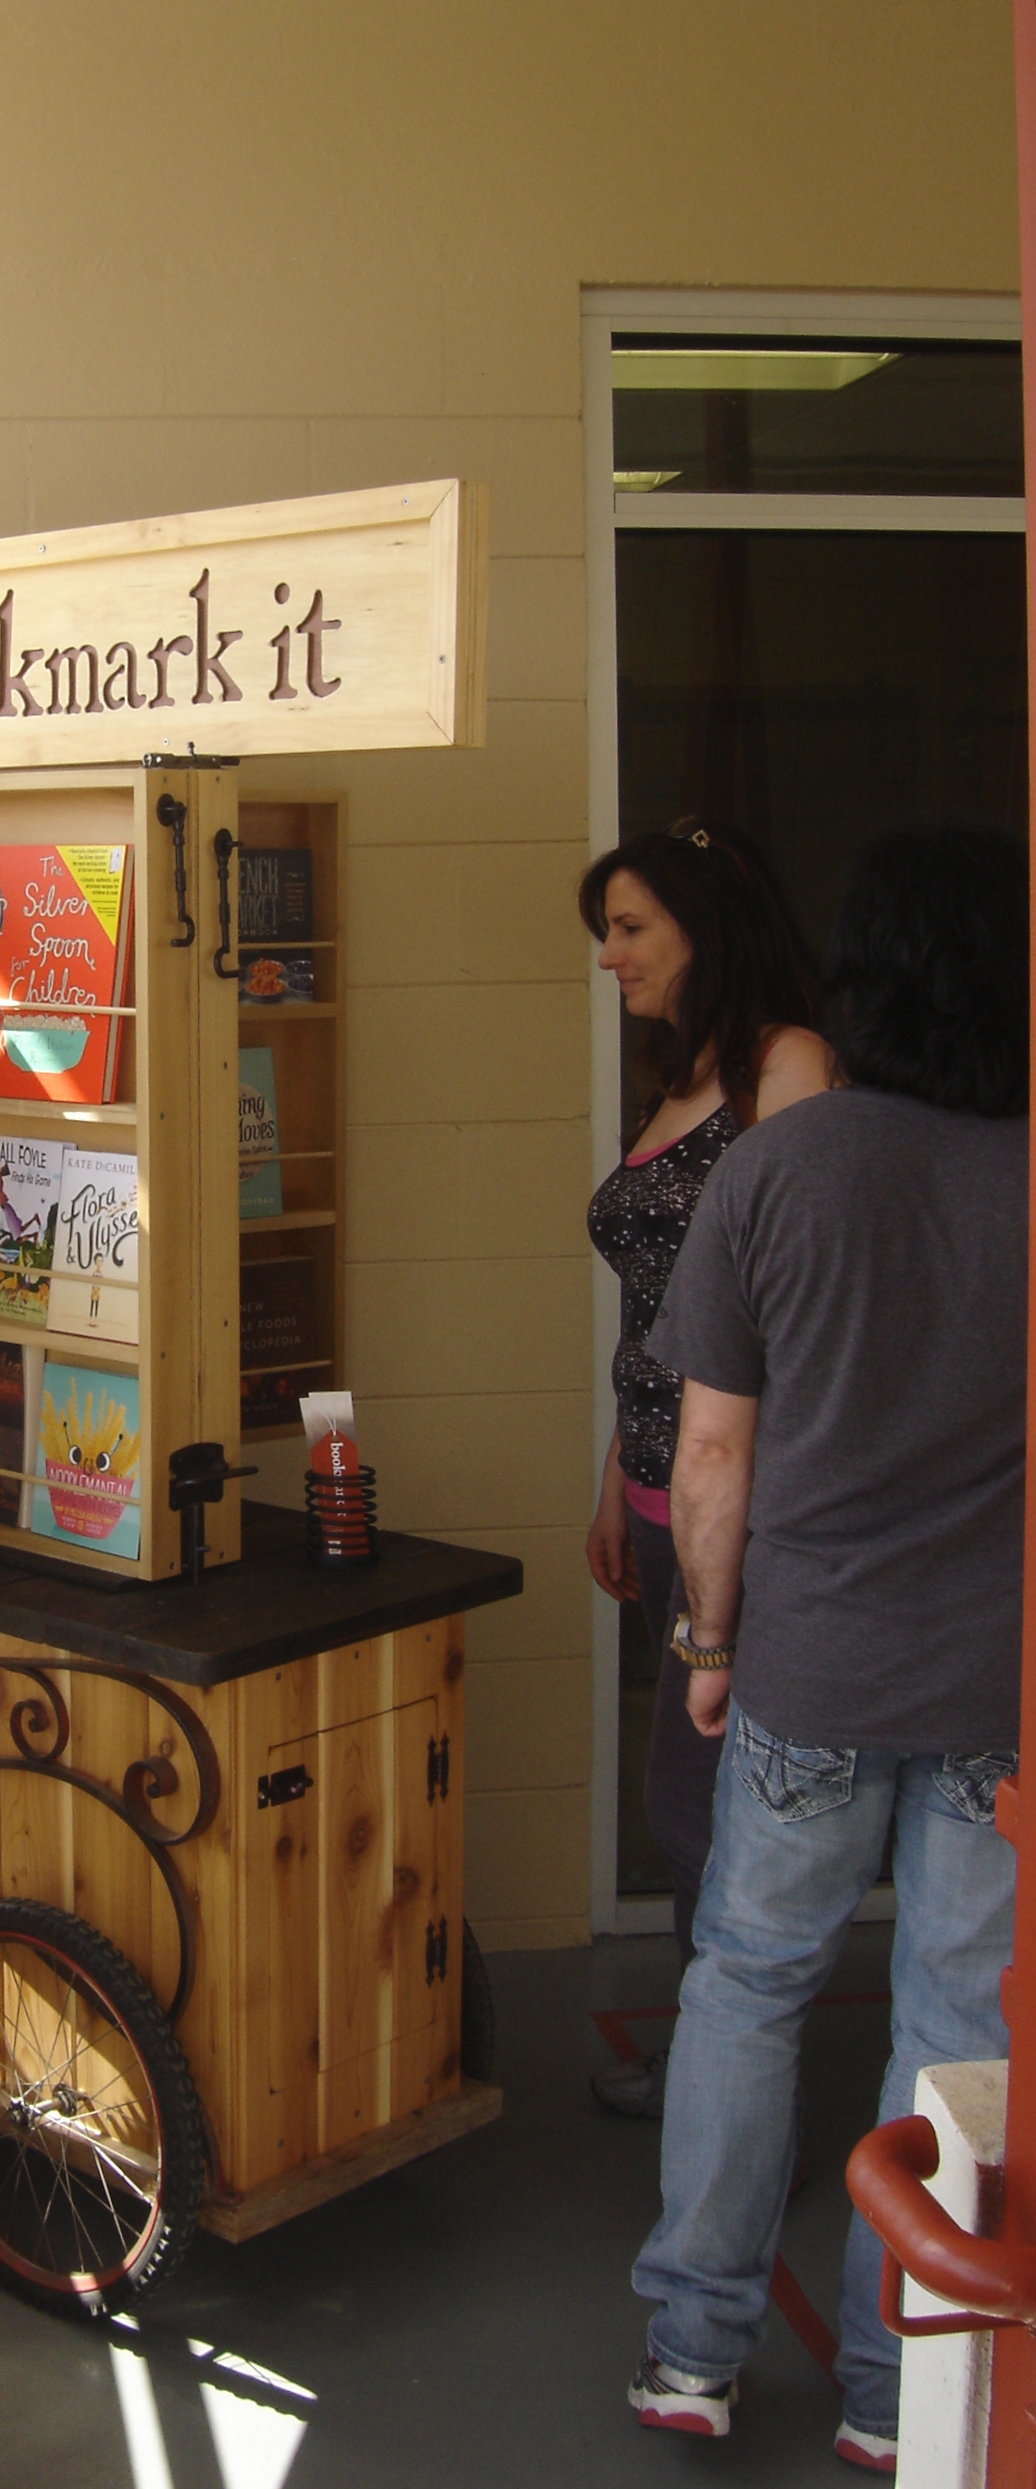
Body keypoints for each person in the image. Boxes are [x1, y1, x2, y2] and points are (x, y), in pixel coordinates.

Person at [626, 825, 1028, 2467]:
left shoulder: (779, 1169)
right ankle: (897, 2387)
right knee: (958, 2019)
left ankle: (694, 2349)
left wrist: (710, 1640)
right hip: (995, 1684)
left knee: (748, 1984)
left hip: (810, 1661)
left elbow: (712, 1457)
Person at [583, 821, 833, 2116]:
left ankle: (736, 2100)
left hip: (744, 1505)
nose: (610, 956)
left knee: (705, 1807)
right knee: (690, 1801)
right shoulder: (674, 1078)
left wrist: (715, 1495)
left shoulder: (787, 1069)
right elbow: (655, 1315)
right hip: (657, 1494)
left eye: (630, 927)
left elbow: (798, 1307)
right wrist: (611, 1479)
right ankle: (710, 2066)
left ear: (705, 926)